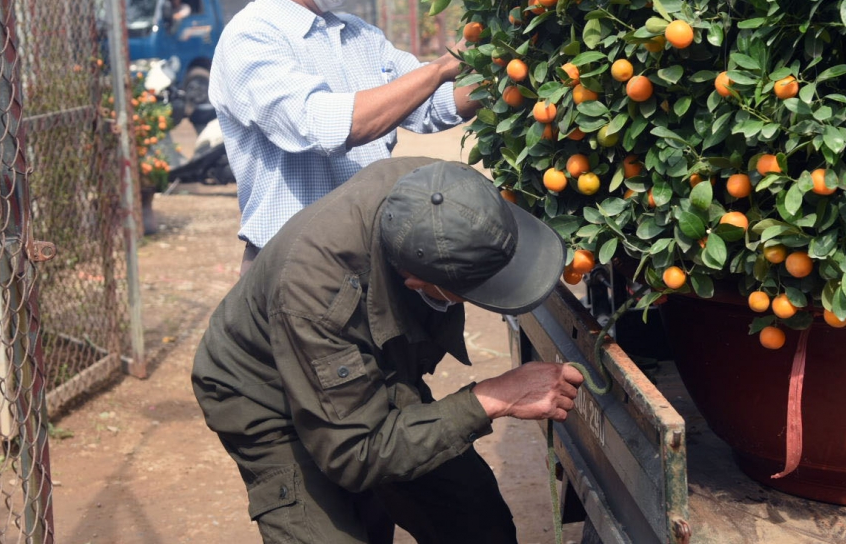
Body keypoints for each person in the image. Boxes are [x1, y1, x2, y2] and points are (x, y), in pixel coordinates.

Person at [192, 157, 583, 544]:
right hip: (266, 394)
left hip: (369, 363)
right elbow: (356, 452)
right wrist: (490, 399)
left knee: (471, 514)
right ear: (415, 282)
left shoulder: (443, 193)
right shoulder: (316, 299)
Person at [209, 0, 478, 276]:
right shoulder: (249, 39)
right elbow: (323, 125)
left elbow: (435, 107)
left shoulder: (357, 35)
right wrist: (440, 69)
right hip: (297, 268)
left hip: (374, 258)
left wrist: (505, 66)